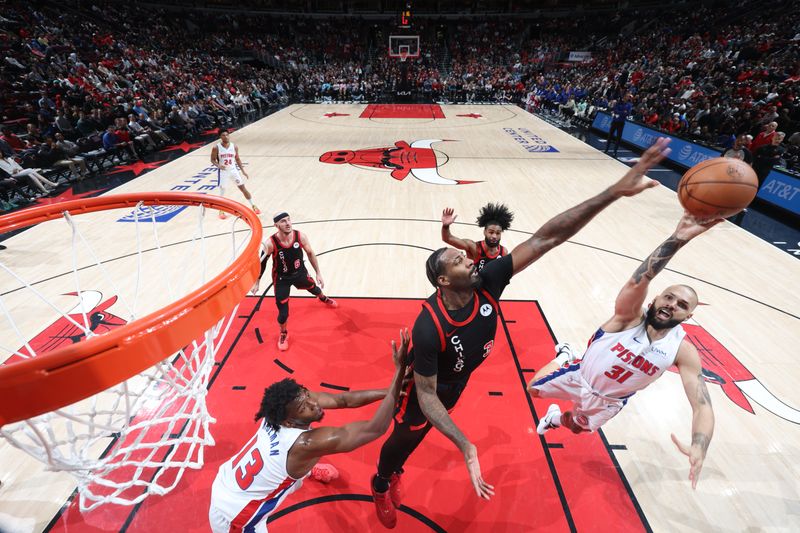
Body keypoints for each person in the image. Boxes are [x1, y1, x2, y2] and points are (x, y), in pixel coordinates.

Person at [370, 138, 673, 529]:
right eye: (460, 259)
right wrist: (466, 445)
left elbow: (547, 237)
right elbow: (427, 396)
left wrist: (613, 191)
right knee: (408, 435)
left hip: (457, 382)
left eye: (467, 255)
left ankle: (395, 469)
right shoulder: (429, 326)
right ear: (444, 280)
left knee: (424, 432)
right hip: (426, 389)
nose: (470, 258)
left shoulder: (487, 282)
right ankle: (381, 481)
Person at [529, 212, 719, 489]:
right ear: (655, 298)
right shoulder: (629, 318)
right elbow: (637, 281)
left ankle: (555, 418)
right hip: (580, 376)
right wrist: (677, 239)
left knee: (578, 427)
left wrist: (700, 445)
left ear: (689, 316)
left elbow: (702, 405)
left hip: (610, 401)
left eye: (681, 305)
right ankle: (565, 355)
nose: (672, 304)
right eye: (668, 296)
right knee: (532, 389)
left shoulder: (682, 350)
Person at [209, 329, 410, 533]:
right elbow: (374, 429)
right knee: (291, 469)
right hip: (236, 515)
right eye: (305, 407)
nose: (314, 403)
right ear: (289, 420)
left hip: (232, 477)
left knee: (290, 473)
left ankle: (305, 471)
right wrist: (398, 371)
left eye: (307, 395)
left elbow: (343, 400)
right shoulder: (305, 444)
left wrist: (391, 390)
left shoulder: (286, 406)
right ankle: (301, 471)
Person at [254, 212, 338, 351]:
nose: (287, 223)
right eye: (283, 221)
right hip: (281, 279)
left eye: (288, 220)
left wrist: (318, 273)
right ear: (276, 225)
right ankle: (283, 333)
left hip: (299, 273)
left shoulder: (300, 236)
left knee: (313, 288)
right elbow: (261, 263)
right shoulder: (270, 243)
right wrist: (257, 281)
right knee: (283, 313)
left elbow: (310, 253)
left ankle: (322, 297)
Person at [440, 203, 514, 272]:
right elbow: (447, 238)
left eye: (498, 233)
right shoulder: (473, 247)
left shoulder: (503, 252)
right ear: (484, 232)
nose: (494, 236)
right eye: (491, 232)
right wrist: (445, 226)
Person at [210, 130, 260, 218]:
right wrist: (218, 165)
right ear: (220, 137)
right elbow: (212, 160)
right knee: (222, 191)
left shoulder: (234, 146)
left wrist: (243, 171)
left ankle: (253, 205)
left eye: (227, 135)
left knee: (243, 188)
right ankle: (221, 210)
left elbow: (237, 159)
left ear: (229, 136)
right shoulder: (216, 147)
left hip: (233, 170)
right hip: (223, 172)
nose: (226, 136)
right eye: (223, 135)